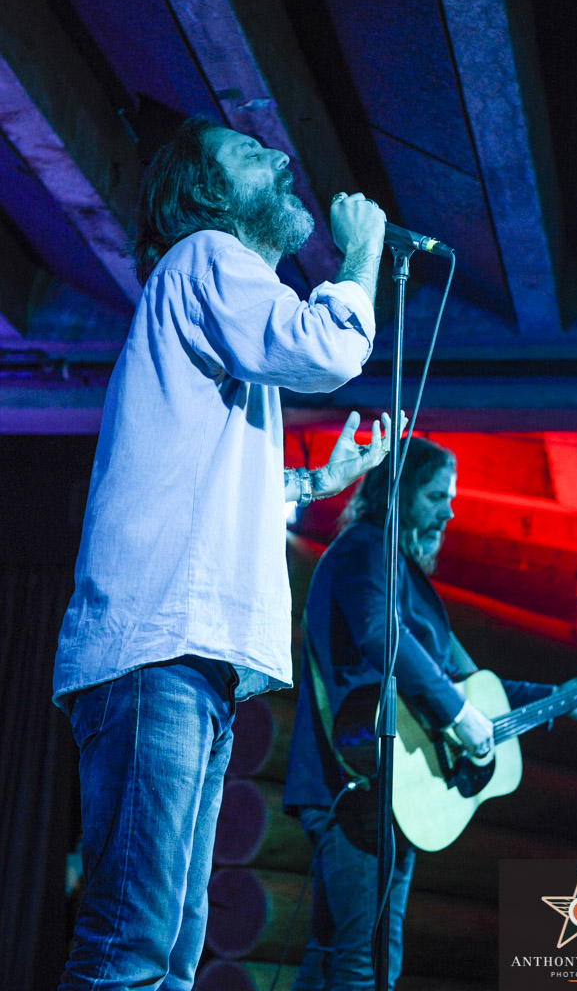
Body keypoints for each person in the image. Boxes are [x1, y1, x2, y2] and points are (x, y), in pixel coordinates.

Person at [53, 115, 392, 990]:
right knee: (131, 946)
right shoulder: (207, 255)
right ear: (206, 196)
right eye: (252, 156)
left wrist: (319, 483)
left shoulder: (206, 297)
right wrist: (361, 256)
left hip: (180, 656)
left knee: (167, 953)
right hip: (160, 649)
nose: (283, 159)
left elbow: (197, 485)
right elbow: (327, 348)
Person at [284, 437, 577, 991]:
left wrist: (564, 696)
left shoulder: (403, 574)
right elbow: (381, 636)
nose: (449, 511)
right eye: (436, 495)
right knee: (366, 965)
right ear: (399, 492)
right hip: (360, 787)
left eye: (450, 498)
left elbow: (474, 688)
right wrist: (458, 717)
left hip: (387, 794)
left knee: (333, 958)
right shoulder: (366, 549)